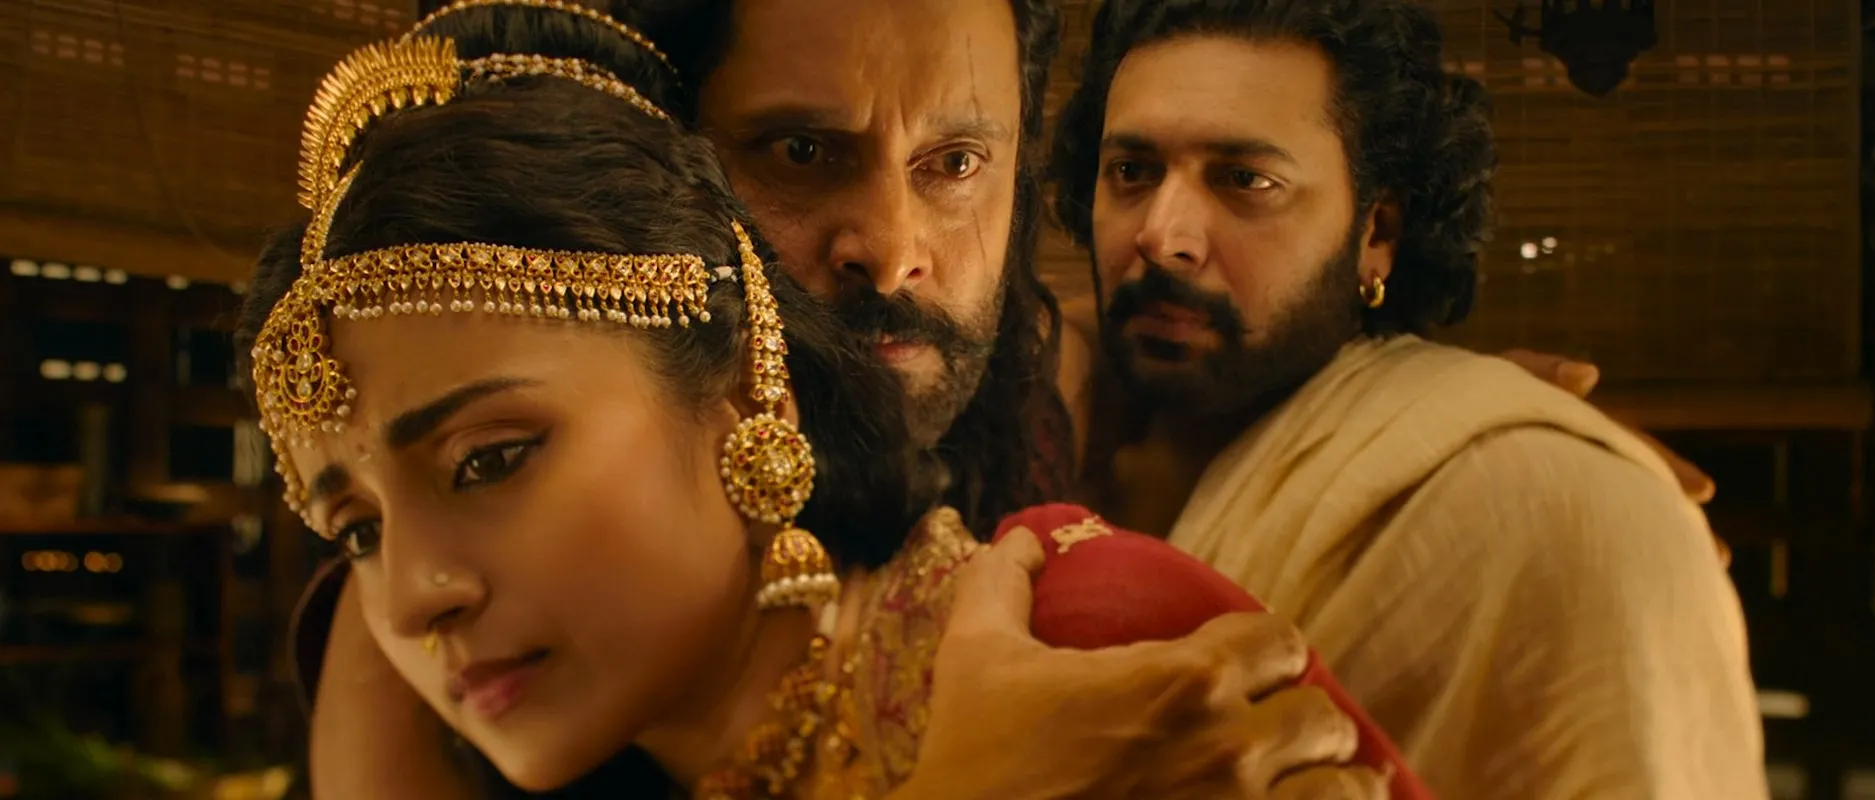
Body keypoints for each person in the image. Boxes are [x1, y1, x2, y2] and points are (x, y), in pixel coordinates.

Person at [255, 19, 1402, 800]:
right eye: (354, 529)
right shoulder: (498, 707)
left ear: (738, 382)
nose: (413, 595)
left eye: (492, 457)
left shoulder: (1094, 633)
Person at [1047, 1, 1768, 797]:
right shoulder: (1043, 425)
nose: (1162, 234)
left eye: (1246, 180)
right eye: (1133, 172)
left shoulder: (1543, 504)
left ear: (1377, 233)